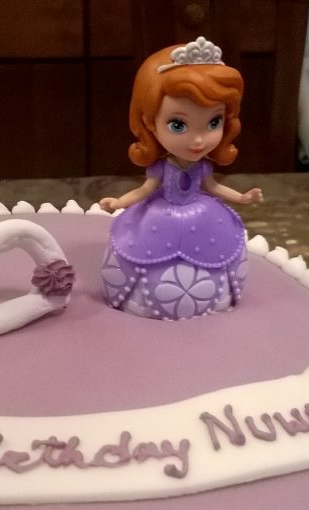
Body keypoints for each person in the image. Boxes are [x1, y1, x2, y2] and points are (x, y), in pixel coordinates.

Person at [99, 37, 262, 320]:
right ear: (150, 122)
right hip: (158, 218)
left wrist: (243, 197)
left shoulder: (203, 167)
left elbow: (213, 186)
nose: (198, 140)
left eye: (213, 122)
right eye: (178, 124)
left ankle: (212, 301)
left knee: (219, 254)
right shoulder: (162, 167)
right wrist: (118, 202)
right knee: (141, 257)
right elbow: (145, 189)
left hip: (204, 217)